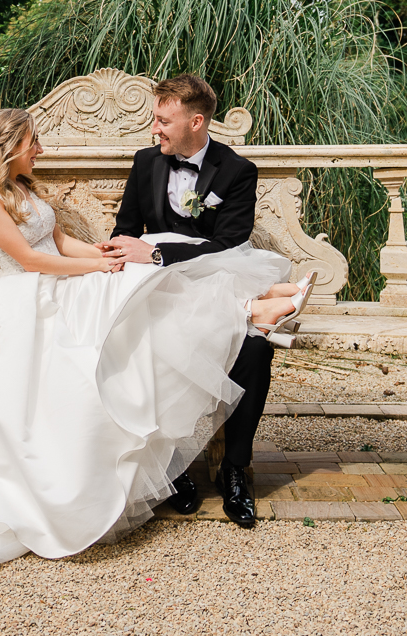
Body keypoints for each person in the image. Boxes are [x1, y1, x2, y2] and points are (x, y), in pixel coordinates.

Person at [0, 103, 310, 593]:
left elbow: (61, 242)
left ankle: (257, 302)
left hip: (58, 279)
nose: (40, 150)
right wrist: (101, 268)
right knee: (133, 291)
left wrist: (108, 255)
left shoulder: (22, 185)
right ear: (9, 147)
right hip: (28, 297)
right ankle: (255, 308)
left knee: (141, 284)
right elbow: (28, 258)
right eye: (32, 143)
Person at [101, 73, 279, 528]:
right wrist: (122, 253)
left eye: (163, 120)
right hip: (159, 292)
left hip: (216, 284)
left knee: (256, 350)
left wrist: (159, 252)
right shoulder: (145, 163)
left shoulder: (237, 171)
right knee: (139, 343)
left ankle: (235, 468)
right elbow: (125, 229)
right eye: (155, 120)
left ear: (196, 121)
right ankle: (167, 466)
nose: (154, 129)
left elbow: (229, 244)